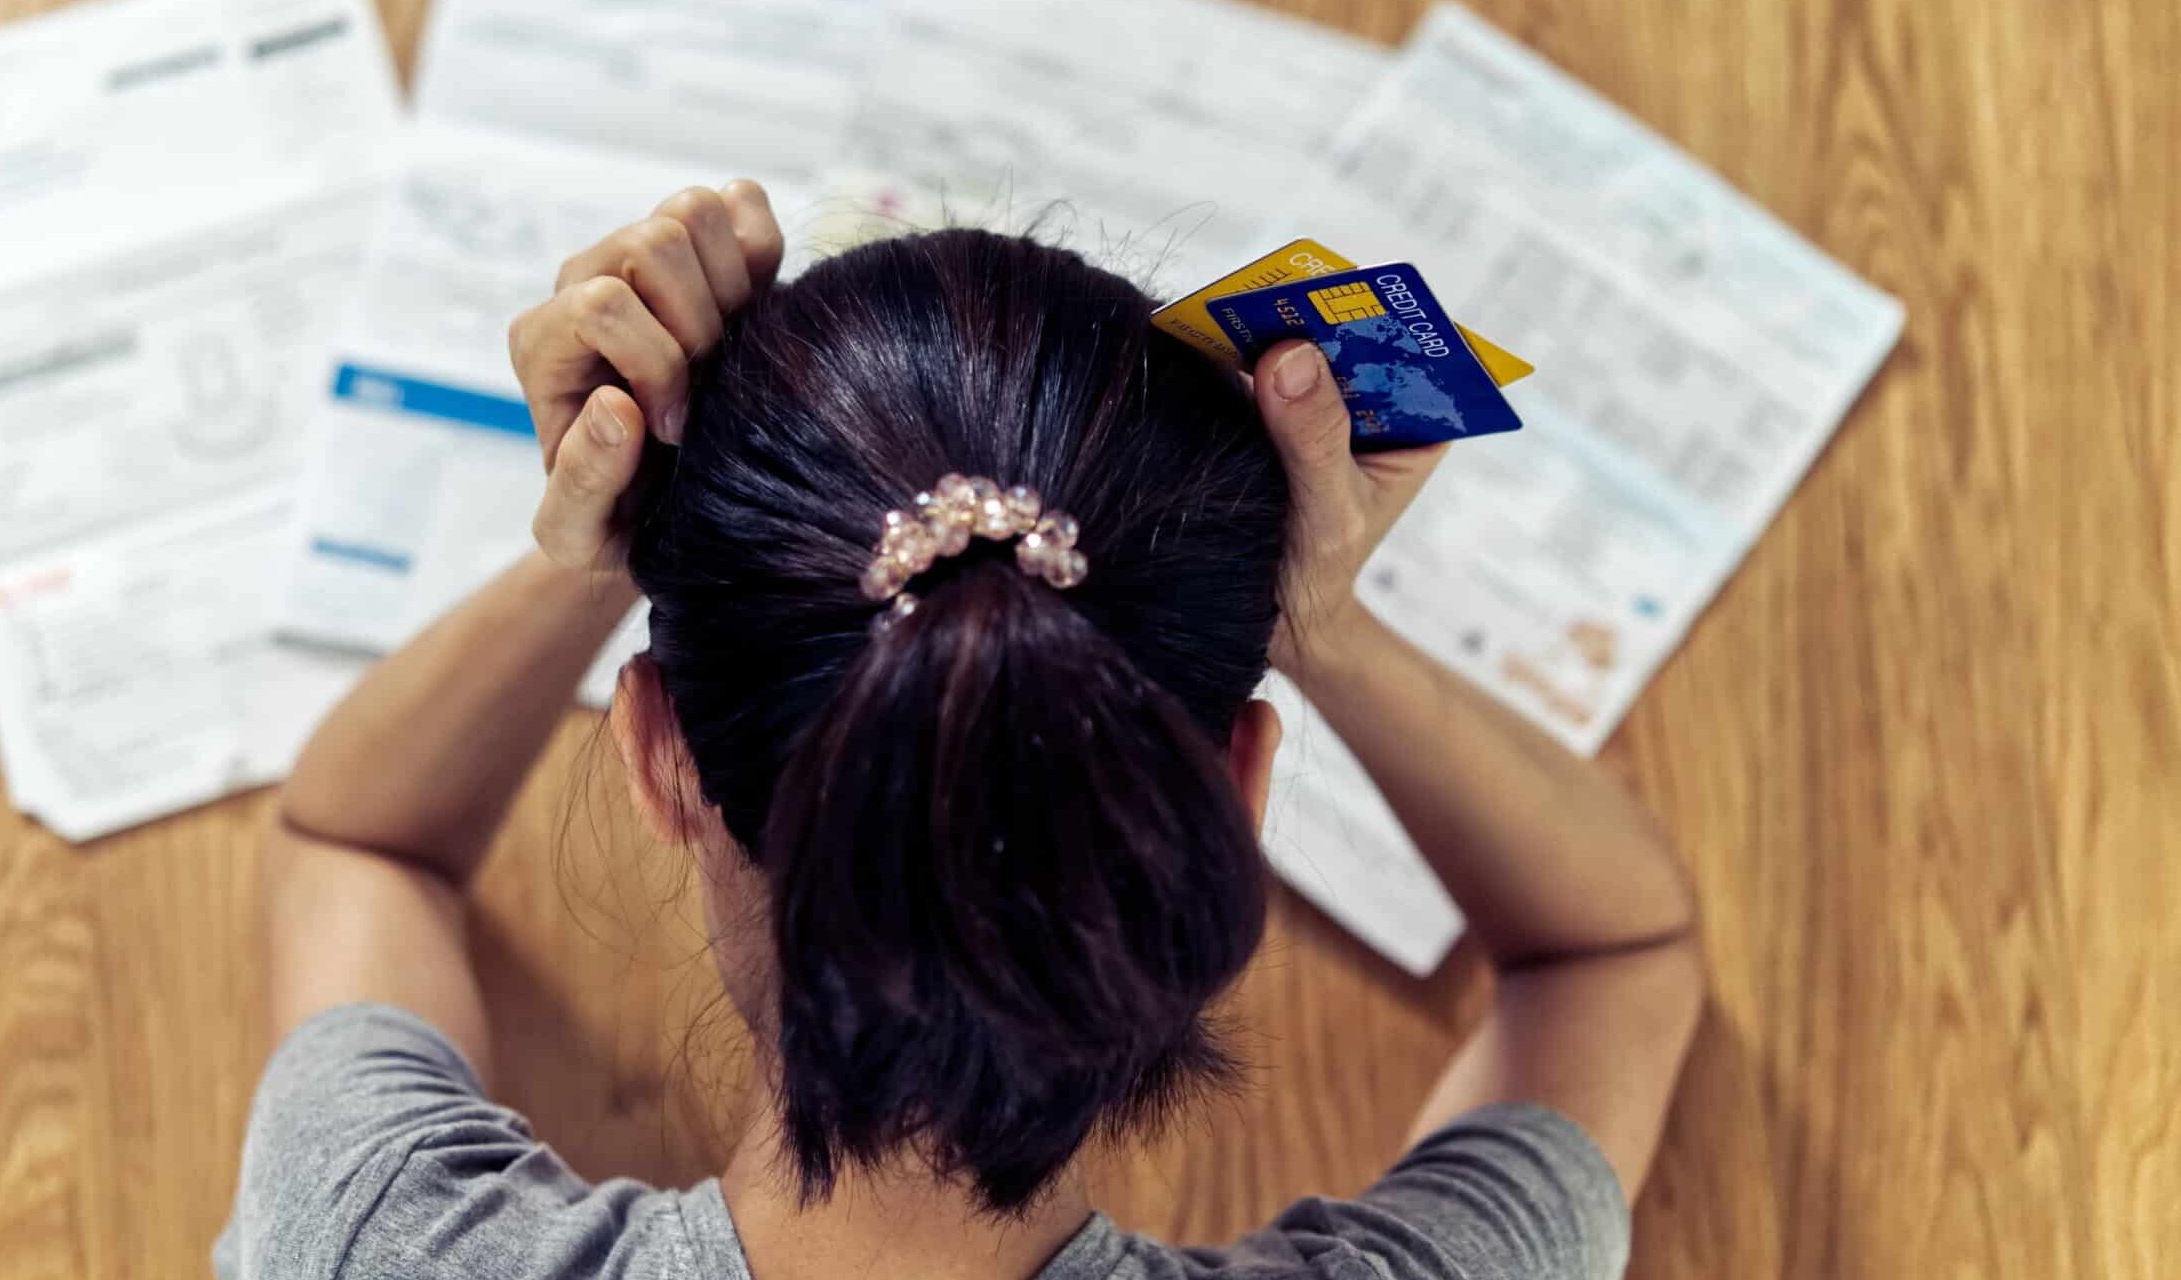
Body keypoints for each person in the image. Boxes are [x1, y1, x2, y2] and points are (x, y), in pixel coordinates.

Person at [219, 181, 1703, 1280]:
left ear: (655, 748)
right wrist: (1322, 622)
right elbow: (1613, 953)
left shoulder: (376, 1241)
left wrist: (595, 529)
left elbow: (356, 838)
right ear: (1233, 789)